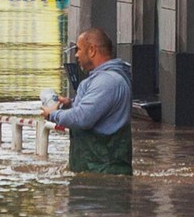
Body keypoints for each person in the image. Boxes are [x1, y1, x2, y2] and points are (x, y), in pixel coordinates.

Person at [41, 27, 133, 175]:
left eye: (78, 49)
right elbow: (92, 111)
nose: (76, 55)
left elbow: (82, 118)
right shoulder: (103, 79)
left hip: (104, 177)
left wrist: (53, 114)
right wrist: (69, 104)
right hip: (96, 173)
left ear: (92, 50)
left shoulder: (107, 81)